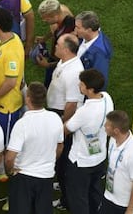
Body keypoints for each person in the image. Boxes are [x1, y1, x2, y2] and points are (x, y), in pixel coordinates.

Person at [5, 82, 64, 214]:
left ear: (28, 99)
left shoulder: (22, 124)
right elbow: (60, 146)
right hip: (46, 175)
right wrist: (50, 160)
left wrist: (10, 171)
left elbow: (10, 158)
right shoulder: (55, 119)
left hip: (23, 177)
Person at [64, 69, 114, 214]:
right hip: (99, 158)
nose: (79, 85)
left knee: (78, 198)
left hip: (80, 162)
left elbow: (67, 129)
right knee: (95, 192)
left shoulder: (84, 112)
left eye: (82, 84)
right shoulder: (106, 97)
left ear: (90, 89)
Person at [46, 33, 84, 211]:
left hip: (63, 115)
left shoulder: (74, 72)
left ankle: (66, 199)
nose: (55, 46)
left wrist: (62, 123)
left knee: (63, 159)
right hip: (57, 112)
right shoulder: (65, 62)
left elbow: (72, 103)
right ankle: (61, 184)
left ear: (67, 50)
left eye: (58, 45)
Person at [0, 7, 24, 183]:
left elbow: (10, 82)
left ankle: (3, 171)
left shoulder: (11, 50)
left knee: (5, 143)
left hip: (6, 106)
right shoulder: (9, 39)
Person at [101, 110, 133, 214]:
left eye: (107, 125)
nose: (104, 126)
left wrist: (130, 210)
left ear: (116, 130)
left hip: (127, 205)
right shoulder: (113, 140)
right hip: (110, 198)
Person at [35, 0, 75, 87]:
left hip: (59, 63)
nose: (44, 21)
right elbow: (55, 30)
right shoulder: (61, 10)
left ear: (55, 16)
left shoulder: (68, 34)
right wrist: (44, 38)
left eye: (46, 19)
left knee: (52, 83)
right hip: (56, 55)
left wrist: (48, 65)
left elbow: (69, 59)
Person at [75, 11, 113, 89]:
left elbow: (99, 81)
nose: (75, 30)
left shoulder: (100, 53)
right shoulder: (84, 37)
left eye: (78, 27)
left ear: (88, 30)